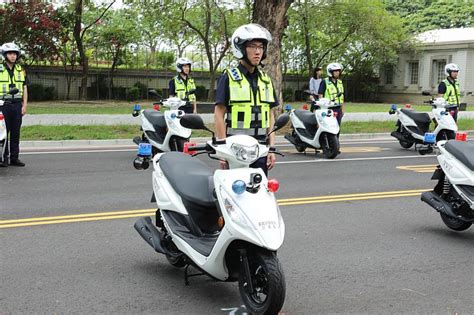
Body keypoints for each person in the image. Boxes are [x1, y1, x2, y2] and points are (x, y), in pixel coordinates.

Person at [214, 23, 279, 175]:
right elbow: (218, 114)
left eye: (261, 47)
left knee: (260, 191)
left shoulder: (266, 80)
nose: (257, 51)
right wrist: (223, 150)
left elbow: (269, 114)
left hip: (260, 149)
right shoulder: (228, 77)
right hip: (235, 149)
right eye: (252, 46)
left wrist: (272, 148)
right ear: (241, 48)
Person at [0, 42, 28, 167]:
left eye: (14, 54)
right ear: (5, 55)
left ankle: (14, 158)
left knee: (16, 132)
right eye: (10, 54)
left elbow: (25, 88)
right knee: (3, 133)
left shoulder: (20, 70)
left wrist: (25, 105)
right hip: (3, 105)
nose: (12, 56)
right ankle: (3, 158)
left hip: (17, 105)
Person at [318, 62, 344, 127]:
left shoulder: (340, 82)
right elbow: (320, 95)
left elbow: (342, 97)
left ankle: (336, 137)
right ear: (330, 72)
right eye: (335, 71)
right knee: (329, 127)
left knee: (337, 127)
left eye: (338, 71)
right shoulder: (325, 82)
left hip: (338, 108)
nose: (337, 72)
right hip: (329, 108)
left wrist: (342, 109)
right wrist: (322, 108)